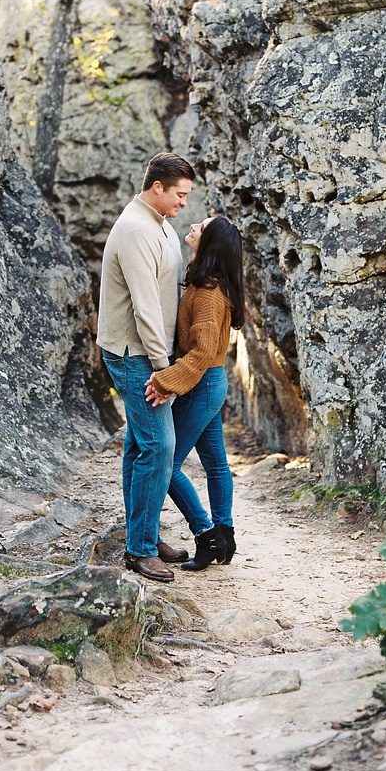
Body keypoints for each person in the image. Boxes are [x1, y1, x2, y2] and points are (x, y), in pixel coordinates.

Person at [98, 152, 194, 583]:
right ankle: (139, 550)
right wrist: (164, 368)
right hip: (135, 354)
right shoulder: (138, 230)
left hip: (147, 353)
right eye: (179, 194)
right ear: (157, 187)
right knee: (159, 447)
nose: (183, 203)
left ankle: (146, 536)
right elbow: (145, 308)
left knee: (141, 447)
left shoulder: (159, 225)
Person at [145, 215, 245, 571]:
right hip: (210, 383)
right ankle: (226, 533)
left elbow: (200, 352)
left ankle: (207, 534)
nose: (193, 227)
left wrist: (165, 380)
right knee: (216, 463)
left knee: (166, 464)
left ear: (211, 243)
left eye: (201, 227)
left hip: (201, 385)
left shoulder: (207, 294)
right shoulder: (208, 283)